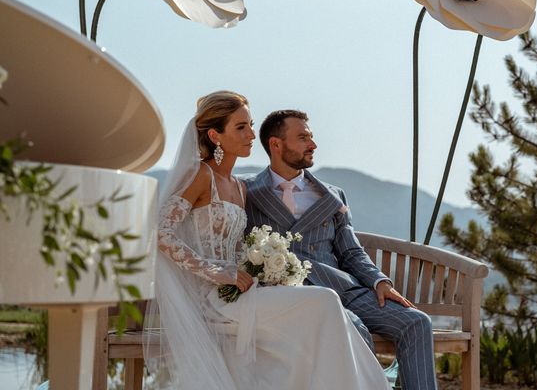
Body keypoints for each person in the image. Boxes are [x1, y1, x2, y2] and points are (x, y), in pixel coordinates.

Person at [143, 91, 391, 390]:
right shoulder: (200, 176)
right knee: (325, 301)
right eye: (241, 127)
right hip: (212, 298)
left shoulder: (238, 186)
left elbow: (238, 247)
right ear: (215, 135)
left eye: (250, 124)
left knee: (323, 316)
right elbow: (162, 233)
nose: (251, 135)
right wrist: (218, 272)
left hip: (243, 293)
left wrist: (268, 272)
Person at [244, 110, 439, 390]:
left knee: (416, 322)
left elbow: (351, 251)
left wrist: (379, 280)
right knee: (354, 328)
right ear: (276, 144)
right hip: (295, 297)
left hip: (344, 288)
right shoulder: (248, 192)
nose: (313, 145)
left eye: (311, 137)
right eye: (303, 138)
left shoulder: (332, 195)